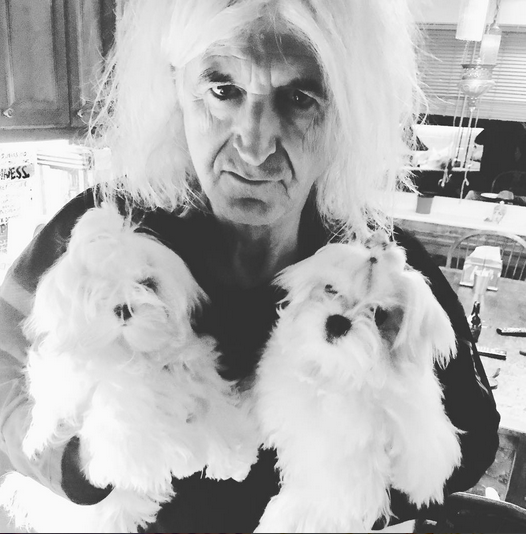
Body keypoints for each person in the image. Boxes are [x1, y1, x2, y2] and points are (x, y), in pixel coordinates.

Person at [0, 0, 500, 531]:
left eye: (299, 97)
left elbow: (473, 437)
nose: (255, 145)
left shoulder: (382, 270)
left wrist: (344, 500)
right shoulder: (100, 236)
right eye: (223, 90)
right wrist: (83, 464)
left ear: (347, 112)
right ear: (175, 89)